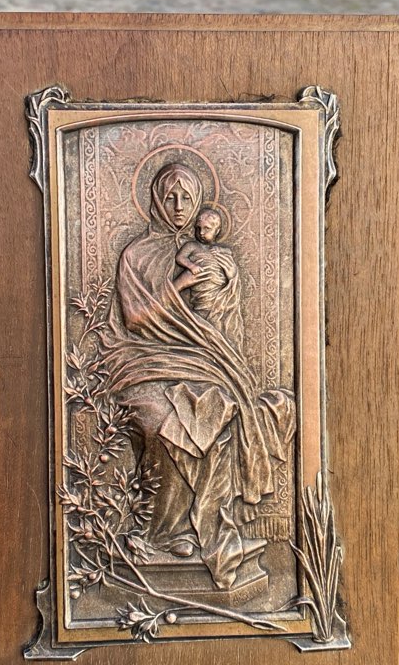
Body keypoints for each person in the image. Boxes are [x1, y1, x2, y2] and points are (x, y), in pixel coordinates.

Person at [100, 160, 294, 590]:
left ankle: (205, 531)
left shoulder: (201, 251)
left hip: (199, 359)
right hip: (140, 363)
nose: (178, 206)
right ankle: (162, 532)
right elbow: (135, 319)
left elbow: (221, 312)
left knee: (217, 411)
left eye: (186, 198)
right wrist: (183, 286)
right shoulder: (136, 255)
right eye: (169, 197)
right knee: (165, 422)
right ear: (155, 200)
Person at [173, 208, 246, 352]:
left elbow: (229, 255)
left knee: (217, 332)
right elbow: (180, 257)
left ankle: (217, 353)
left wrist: (225, 260)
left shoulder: (220, 250)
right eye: (198, 228)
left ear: (217, 231)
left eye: (206, 229)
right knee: (203, 329)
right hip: (201, 300)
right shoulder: (192, 246)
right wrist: (191, 266)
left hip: (218, 301)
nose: (201, 233)